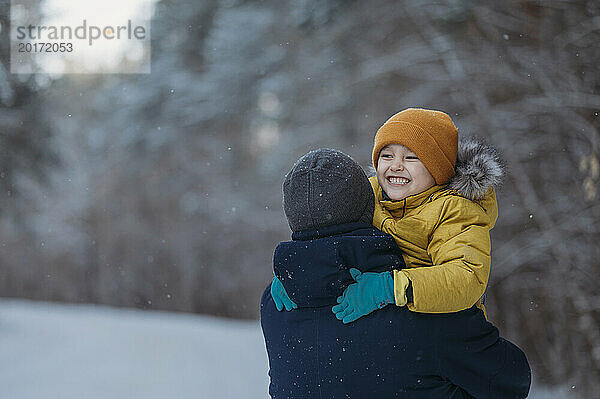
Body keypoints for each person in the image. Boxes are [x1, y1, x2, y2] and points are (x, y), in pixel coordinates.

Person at [260, 148, 530, 398]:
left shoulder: (274, 303)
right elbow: (512, 380)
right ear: (371, 207)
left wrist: (296, 272)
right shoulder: (419, 307)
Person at [332, 108, 505, 323]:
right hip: (387, 330)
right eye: (386, 155)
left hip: (443, 329)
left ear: (438, 169)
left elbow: (467, 277)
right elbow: (329, 239)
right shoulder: (367, 195)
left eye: (411, 157)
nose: (395, 165)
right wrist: (300, 278)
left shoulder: (455, 210)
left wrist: (393, 287)